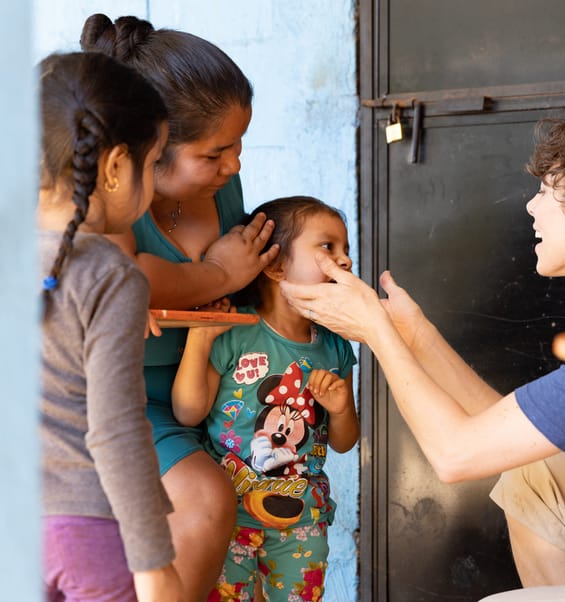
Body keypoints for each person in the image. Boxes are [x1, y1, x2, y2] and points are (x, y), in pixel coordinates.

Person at [280, 103, 565, 602]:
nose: (530, 207)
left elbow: (456, 456)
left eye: (545, 192)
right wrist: (414, 333)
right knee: (534, 476)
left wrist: (376, 332)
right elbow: (502, 435)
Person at [80, 14, 280, 601]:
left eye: (239, 146)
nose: (235, 166)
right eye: (215, 153)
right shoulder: (101, 189)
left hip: (204, 397)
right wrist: (217, 273)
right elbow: (131, 279)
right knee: (203, 500)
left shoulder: (222, 190)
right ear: (150, 150)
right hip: (117, 400)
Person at [38, 52, 181, 601]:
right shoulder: (110, 275)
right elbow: (115, 428)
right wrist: (153, 564)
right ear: (117, 167)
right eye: (155, 162)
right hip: (89, 533)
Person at [171, 196, 360, 601]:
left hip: (303, 523)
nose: (344, 261)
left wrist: (341, 409)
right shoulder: (236, 333)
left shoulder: (337, 349)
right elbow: (188, 412)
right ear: (275, 266)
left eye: (346, 251)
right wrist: (199, 341)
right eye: (327, 247)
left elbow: (344, 442)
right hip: (230, 519)